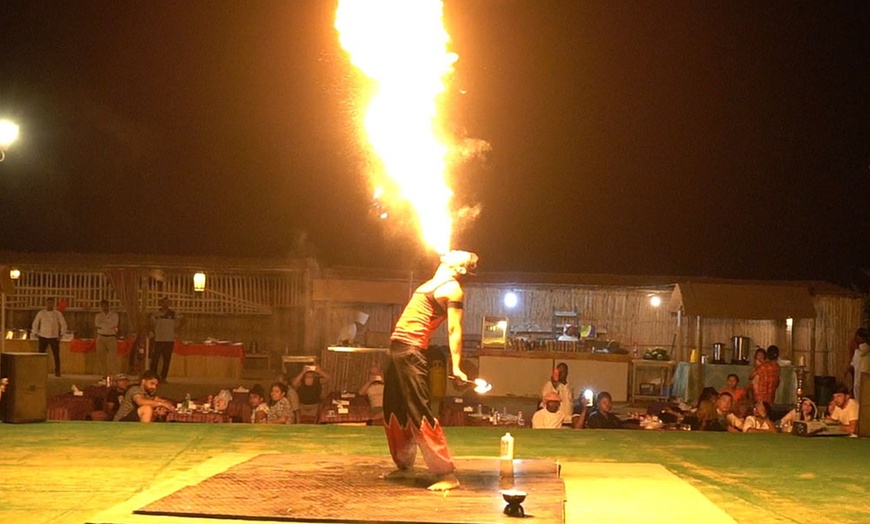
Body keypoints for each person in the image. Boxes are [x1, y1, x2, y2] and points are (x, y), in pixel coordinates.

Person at [382, 249, 478, 491]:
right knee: (393, 410)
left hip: (412, 352)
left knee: (419, 411)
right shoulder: (432, 282)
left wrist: (456, 366)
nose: (454, 249)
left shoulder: (452, 288)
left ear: (462, 269)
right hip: (396, 350)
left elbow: (455, 330)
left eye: (461, 254)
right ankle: (404, 464)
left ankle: (446, 473)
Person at [32, 297, 68, 377]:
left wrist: (61, 335)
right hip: (43, 336)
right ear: (46, 303)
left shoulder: (57, 313)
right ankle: (39, 371)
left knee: (56, 355)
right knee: (41, 355)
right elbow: (35, 323)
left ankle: (57, 371)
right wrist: (36, 332)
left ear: (53, 304)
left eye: (51, 303)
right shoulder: (41, 313)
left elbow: (63, 324)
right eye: (48, 303)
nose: (49, 305)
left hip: (54, 337)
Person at [150, 297, 181, 381]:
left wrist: (176, 331)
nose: (165, 304)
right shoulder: (156, 314)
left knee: (166, 359)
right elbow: (151, 325)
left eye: (167, 303)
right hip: (159, 339)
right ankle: (153, 376)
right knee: (155, 359)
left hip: (169, 339)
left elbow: (180, 322)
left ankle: (163, 377)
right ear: (161, 303)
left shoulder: (174, 314)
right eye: (164, 302)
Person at [94, 299, 120, 376]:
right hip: (101, 337)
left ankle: (113, 374)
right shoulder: (98, 316)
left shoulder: (114, 315)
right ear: (101, 307)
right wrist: (108, 325)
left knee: (112, 357)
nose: (104, 307)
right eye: (103, 306)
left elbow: (114, 324)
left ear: (108, 306)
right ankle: (104, 374)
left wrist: (104, 325)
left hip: (111, 337)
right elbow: (97, 324)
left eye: (106, 306)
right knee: (101, 357)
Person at [848, 328, 870, 401]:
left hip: (864, 378)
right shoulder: (858, 351)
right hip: (859, 377)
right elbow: (853, 364)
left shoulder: (863, 350)